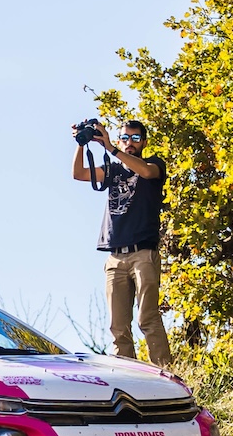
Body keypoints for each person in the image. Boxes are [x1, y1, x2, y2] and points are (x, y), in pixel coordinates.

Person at [70, 118, 171, 367]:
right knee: (118, 326)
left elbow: (145, 172)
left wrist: (111, 148)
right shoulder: (113, 170)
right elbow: (79, 174)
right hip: (115, 257)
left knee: (147, 318)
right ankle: (129, 378)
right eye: (125, 138)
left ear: (144, 142)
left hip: (143, 253)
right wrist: (81, 143)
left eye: (135, 138)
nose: (130, 142)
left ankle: (165, 374)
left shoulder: (154, 164)